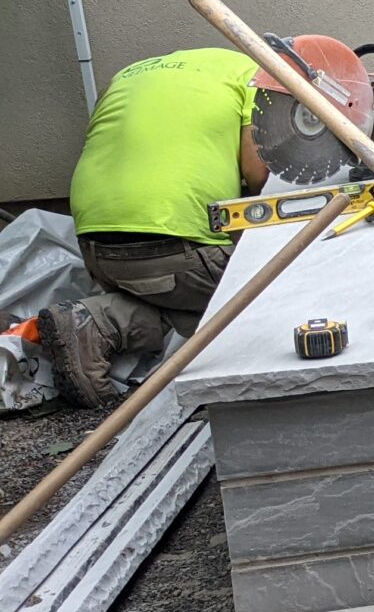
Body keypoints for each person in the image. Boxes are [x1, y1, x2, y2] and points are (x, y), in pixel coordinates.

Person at [37, 48, 269, 406]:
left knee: (168, 285)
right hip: (176, 250)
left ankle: (99, 317)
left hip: (95, 246)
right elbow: (258, 176)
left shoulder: (132, 72)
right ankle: (109, 322)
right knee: (267, 298)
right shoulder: (257, 79)